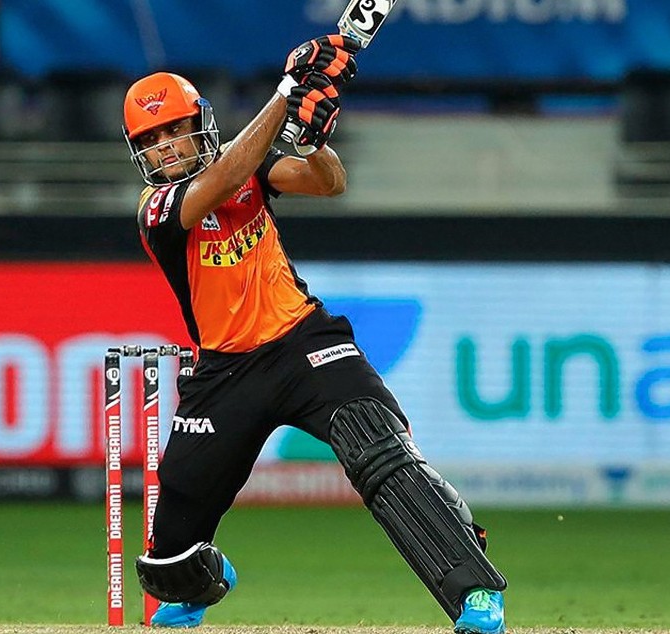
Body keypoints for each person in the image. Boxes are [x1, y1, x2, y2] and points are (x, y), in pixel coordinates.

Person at [122, 35, 508, 633]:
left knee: (376, 449)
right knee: (168, 562)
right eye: (151, 139)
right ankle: (203, 584)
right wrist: (286, 93)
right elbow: (221, 181)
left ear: (199, 125)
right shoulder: (157, 208)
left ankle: (474, 591)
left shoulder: (251, 170)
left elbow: (329, 183)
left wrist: (312, 142)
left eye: (174, 130)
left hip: (304, 343)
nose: (165, 146)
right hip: (224, 372)